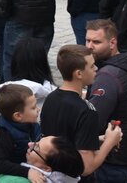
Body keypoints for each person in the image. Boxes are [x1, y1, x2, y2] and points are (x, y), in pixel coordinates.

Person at [39, 45, 122, 179]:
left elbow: (66, 139)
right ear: (79, 74)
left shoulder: (51, 98)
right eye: (91, 66)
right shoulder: (87, 111)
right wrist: (110, 142)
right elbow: (86, 168)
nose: (96, 68)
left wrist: (97, 139)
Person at [83, 19, 127, 183]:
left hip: (110, 158)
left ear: (112, 43)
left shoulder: (107, 76)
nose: (89, 46)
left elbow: (93, 120)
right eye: (87, 40)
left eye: (96, 42)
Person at [0, 84, 42, 182]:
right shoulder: (5, 133)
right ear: (18, 116)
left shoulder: (32, 125)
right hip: (12, 176)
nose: (38, 109)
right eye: (33, 108)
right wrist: (27, 172)